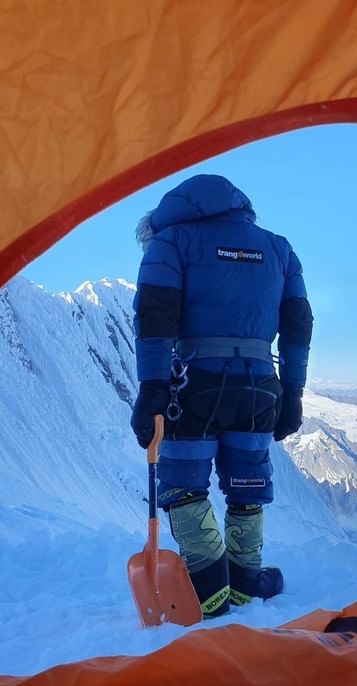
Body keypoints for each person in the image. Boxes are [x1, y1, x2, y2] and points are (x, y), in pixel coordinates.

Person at [129, 174, 313, 619]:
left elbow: (156, 318)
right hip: (257, 388)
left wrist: (153, 388)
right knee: (248, 481)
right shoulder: (278, 249)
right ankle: (247, 580)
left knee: (184, 482)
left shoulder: (171, 243)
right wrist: (292, 391)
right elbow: (298, 323)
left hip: (195, 384)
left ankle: (209, 588)